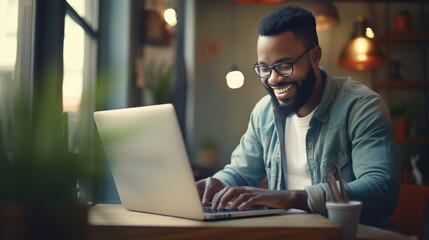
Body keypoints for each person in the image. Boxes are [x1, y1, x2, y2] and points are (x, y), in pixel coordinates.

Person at [196, 5, 400, 229]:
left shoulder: (362, 107)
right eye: (264, 68)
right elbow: (240, 173)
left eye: (284, 66)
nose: (273, 79)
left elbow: (382, 190)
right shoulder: (264, 112)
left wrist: (293, 198)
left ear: (315, 56)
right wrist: (216, 184)